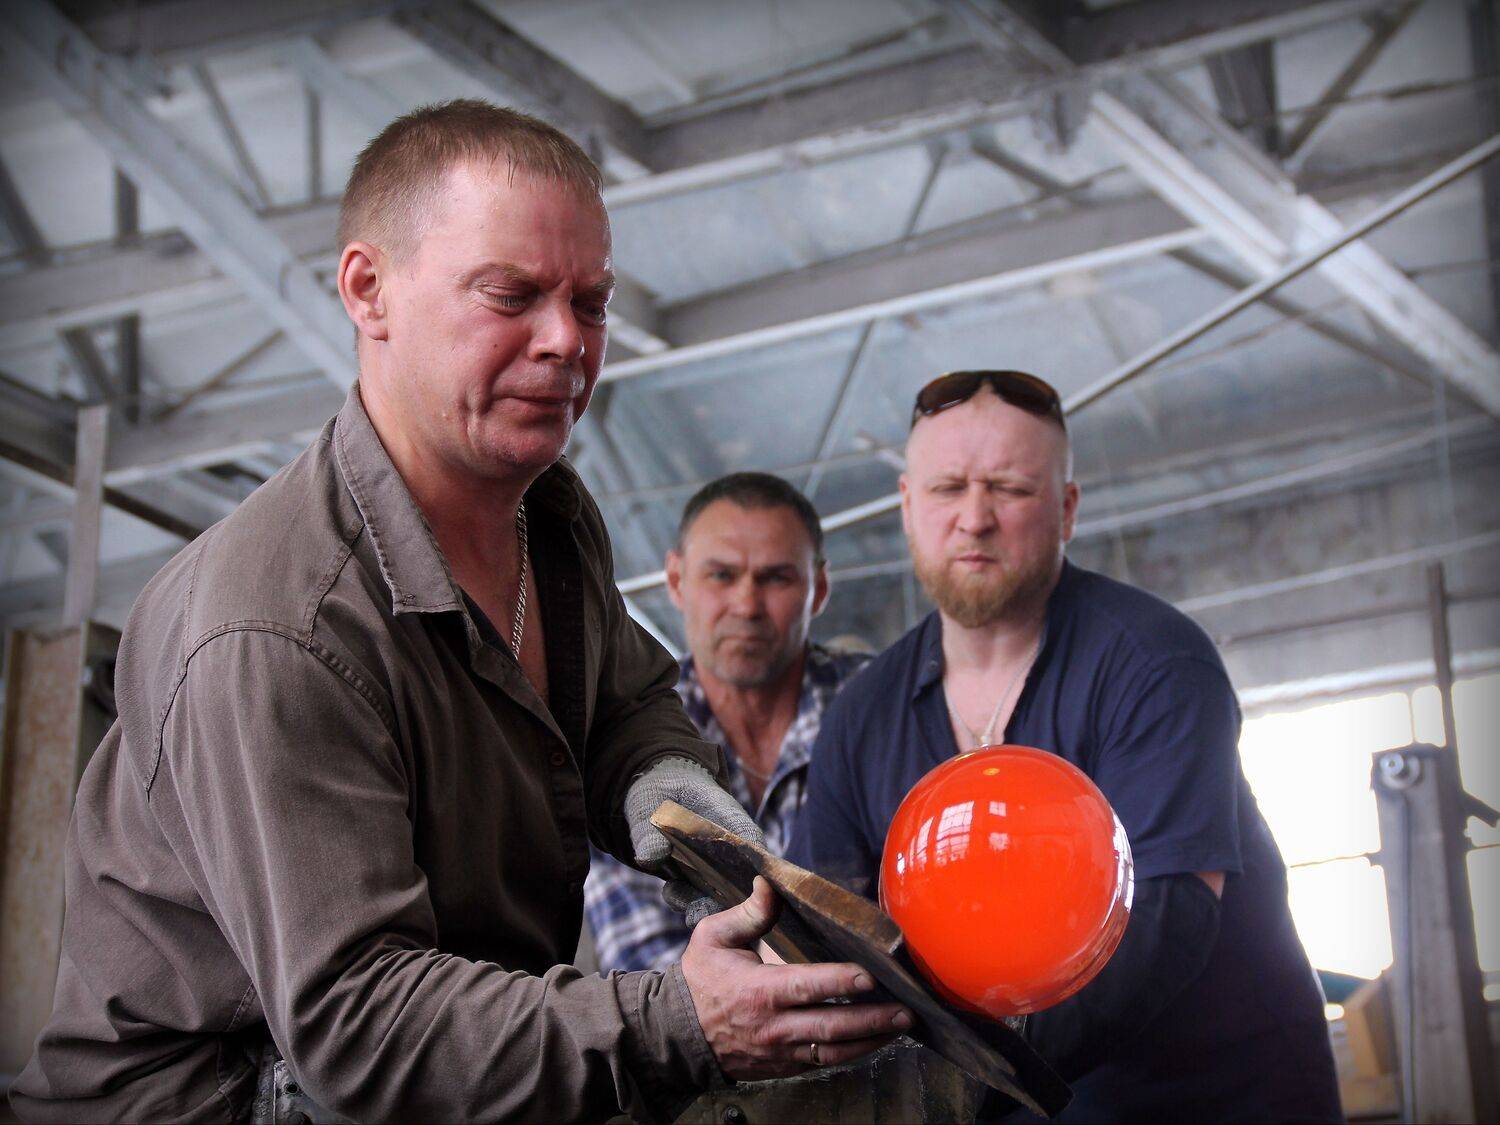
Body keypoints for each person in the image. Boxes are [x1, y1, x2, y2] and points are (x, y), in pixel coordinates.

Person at [10, 101, 910, 1125]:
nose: (566, 341)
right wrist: (683, 1022)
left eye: (592, 302)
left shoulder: (547, 516)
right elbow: (360, 1027)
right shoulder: (278, 628)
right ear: (369, 290)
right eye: (511, 295)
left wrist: (701, 834)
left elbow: (623, 709)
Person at [786, 371, 1343, 1122]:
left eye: (1010, 489)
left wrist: (964, 1080)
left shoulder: (1156, 661)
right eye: (948, 488)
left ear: (1068, 508)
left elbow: (1168, 919)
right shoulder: (862, 715)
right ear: (908, 506)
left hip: (1213, 1099)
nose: (974, 519)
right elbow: (832, 920)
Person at [585, 473, 871, 972]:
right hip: (704, 1021)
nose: (746, 606)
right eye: (721, 575)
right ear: (677, 581)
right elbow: (639, 959)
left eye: (776, 578)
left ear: (819, 588)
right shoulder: (627, 734)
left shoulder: (875, 705)